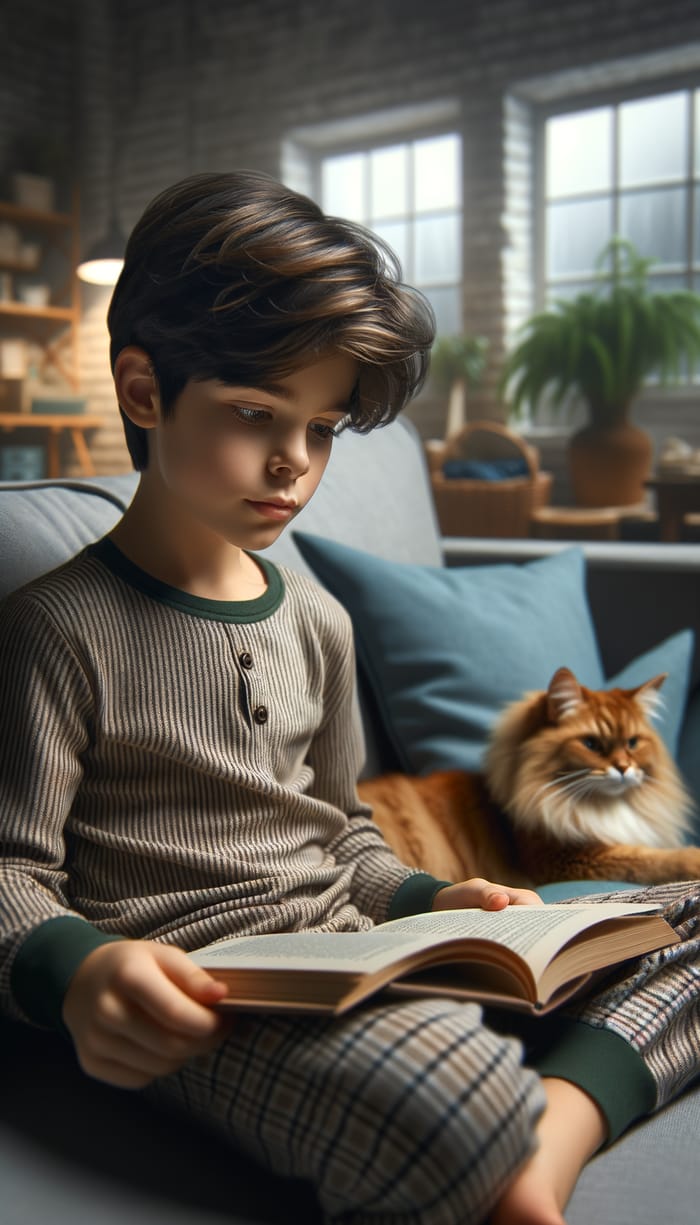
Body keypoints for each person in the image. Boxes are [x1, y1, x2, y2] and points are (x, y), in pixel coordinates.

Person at [0, 170, 698, 1225]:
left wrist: (437, 903)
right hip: (212, 994)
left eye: (322, 428)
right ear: (144, 393)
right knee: (446, 1096)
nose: (293, 463)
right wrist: (77, 970)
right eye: (255, 415)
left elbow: (345, 840)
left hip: (363, 951)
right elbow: (11, 866)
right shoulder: (58, 626)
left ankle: (544, 1138)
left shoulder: (317, 621)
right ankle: (507, 1134)